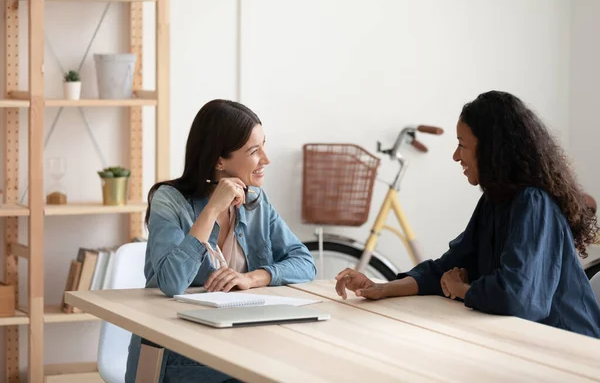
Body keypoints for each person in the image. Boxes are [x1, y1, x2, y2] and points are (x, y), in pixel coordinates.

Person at [335, 90, 600, 338]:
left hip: (572, 350)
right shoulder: (494, 201)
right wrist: (380, 288)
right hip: (525, 342)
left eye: (462, 145)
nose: (455, 156)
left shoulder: (534, 203)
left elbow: (519, 299)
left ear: (492, 150)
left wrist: (463, 289)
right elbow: (445, 269)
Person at [125, 99, 316, 382]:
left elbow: (304, 264)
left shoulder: (255, 201)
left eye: (264, 145)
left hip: (241, 346)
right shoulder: (169, 200)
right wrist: (212, 210)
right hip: (176, 355)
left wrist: (253, 278)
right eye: (254, 151)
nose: (266, 158)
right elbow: (171, 282)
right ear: (219, 160)